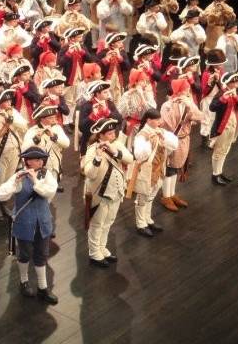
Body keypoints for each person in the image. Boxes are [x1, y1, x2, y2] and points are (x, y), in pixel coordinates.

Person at [0, 147, 59, 304]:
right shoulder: (19, 175)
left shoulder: (47, 175)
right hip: (24, 221)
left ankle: (43, 287)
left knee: (42, 254)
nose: (39, 162)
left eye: (40, 160)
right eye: (35, 160)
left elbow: (48, 192)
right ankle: (23, 282)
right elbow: (1, 194)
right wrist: (15, 183)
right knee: (24, 253)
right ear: (28, 161)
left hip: (42, 221)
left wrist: (35, 181)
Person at [82, 117, 133, 267]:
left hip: (116, 191)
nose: (113, 135)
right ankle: (94, 252)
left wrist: (114, 151)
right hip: (99, 193)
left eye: (113, 132)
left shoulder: (117, 144)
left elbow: (130, 159)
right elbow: (90, 173)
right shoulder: (92, 150)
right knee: (97, 223)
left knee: (108, 222)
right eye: (109, 133)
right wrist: (98, 157)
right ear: (100, 136)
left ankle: (101, 247)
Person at [130, 109, 179, 238]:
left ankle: (147, 219)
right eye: (157, 120)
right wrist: (150, 141)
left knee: (151, 196)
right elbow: (140, 155)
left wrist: (162, 137)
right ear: (148, 120)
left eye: (159, 119)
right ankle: (140, 224)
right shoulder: (142, 134)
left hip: (159, 168)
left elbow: (174, 145)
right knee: (143, 197)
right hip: (147, 170)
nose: (160, 122)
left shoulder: (161, 131)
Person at [160, 78, 203, 210]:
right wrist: (179, 108)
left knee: (176, 168)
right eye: (185, 89)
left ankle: (172, 194)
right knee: (169, 168)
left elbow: (200, 117)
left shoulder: (188, 103)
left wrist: (190, 105)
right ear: (178, 91)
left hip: (184, 139)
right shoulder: (167, 105)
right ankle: (165, 196)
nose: (188, 91)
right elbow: (169, 124)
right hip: (172, 140)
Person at [0, 88, 28, 204]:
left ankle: (4, 203)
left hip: (14, 151)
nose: (9, 103)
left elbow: (24, 126)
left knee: (9, 179)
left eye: (9, 100)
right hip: (0, 154)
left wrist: (11, 119)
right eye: (6, 101)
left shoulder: (12, 112)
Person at [209, 72, 238, 186]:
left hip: (233, 126)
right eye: (233, 82)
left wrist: (236, 97)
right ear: (228, 83)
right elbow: (212, 107)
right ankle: (215, 174)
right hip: (223, 127)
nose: (236, 84)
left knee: (225, 150)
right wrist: (222, 99)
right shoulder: (221, 93)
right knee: (219, 151)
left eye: (236, 81)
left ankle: (219, 172)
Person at [22, 105, 70, 192]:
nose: (54, 119)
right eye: (51, 117)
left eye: (54, 117)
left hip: (54, 166)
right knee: (39, 191)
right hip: (38, 168)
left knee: (51, 190)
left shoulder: (57, 128)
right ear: (42, 119)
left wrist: (53, 136)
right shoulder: (32, 131)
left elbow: (66, 144)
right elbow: (24, 149)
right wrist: (36, 139)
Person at [78, 80, 122, 155]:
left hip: (110, 139)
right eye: (105, 92)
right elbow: (81, 127)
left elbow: (119, 119)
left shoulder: (110, 104)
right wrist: (92, 116)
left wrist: (107, 112)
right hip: (91, 140)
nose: (108, 94)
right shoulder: (86, 106)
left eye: (108, 91)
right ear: (97, 94)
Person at [117, 69, 156, 142]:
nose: (145, 83)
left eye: (145, 81)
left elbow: (152, 111)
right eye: (142, 81)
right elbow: (121, 113)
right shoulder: (127, 95)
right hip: (130, 126)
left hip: (144, 127)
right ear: (136, 82)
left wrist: (142, 96)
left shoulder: (147, 94)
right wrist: (127, 96)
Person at [199, 49, 227, 148]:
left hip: (217, 99)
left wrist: (218, 79)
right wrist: (211, 82)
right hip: (208, 98)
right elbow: (204, 91)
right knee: (206, 119)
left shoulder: (222, 71)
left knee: (215, 119)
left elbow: (223, 87)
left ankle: (213, 139)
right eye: (218, 64)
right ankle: (204, 138)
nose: (220, 66)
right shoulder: (206, 74)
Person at [97, 32, 130, 103]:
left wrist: (120, 57)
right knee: (107, 100)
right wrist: (106, 59)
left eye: (121, 42)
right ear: (112, 43)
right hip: (106, 80)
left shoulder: (122, 53)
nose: (121, 44)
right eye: (118, 42)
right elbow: (96, 68)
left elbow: (127, 67)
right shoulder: (103, 52)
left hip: (118, 81)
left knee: (118, 100)